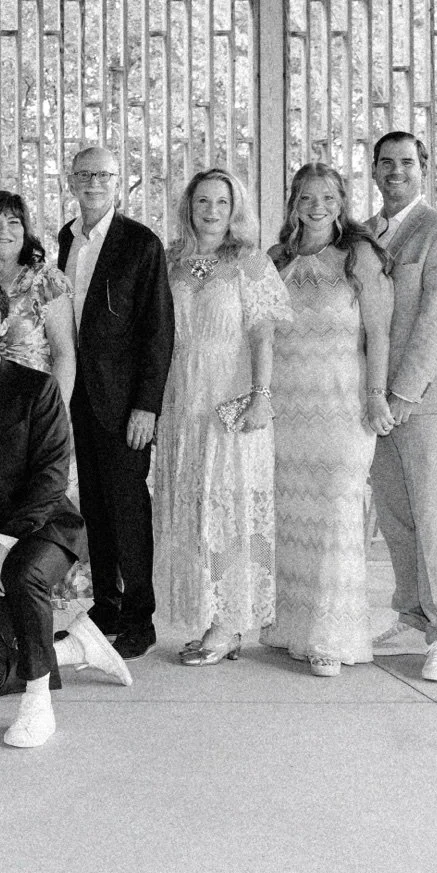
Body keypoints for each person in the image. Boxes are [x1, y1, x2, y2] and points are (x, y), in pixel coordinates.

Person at [0, 277, 132, 749]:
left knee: (23, 576)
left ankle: (39, 705)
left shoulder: (35, 388)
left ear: (2, 326)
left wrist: (3, 545)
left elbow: (50, 479)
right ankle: (74, 646)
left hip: (44, 529)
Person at [151, 168, 290, 666]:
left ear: (236, 211)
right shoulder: (170, 261)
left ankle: (228, 624)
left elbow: (264, 335)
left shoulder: (249, 262)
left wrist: (261, 394)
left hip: (229, 399)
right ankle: (205, 613)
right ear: (188, 206)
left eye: (222, 203)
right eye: (202, 201)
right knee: (190, 510)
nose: (211, 211)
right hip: (180, 400)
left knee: (227, 508)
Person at [262, 165, 393, 677]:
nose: (317, 206)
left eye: (328, 196)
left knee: (336, 514)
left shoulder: (358, 255)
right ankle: (290, 628)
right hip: (287, 409)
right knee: (291, 518)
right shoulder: (277, 259)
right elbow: (261, 334)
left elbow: (379, 334)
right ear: (293, 201)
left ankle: (330, 637)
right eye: (307, 196)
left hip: (342, 405)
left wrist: (377, 395)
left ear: (342, 201)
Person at [56, 144, 173, 659]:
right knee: (96, 510)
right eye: (84, 174)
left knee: (127, 509)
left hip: (125, 404)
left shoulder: (141, 244)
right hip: (76, 396)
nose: (93, 183)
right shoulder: (65, 239)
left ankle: (140, 619)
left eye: (103, 174)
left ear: (118, 181)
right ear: (71, 181)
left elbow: (158, 331)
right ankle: (106, 606)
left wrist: (146, 406)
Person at [365, 132, 437, 683]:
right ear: (374, 168)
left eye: (407, 162)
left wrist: (404, 393)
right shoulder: (362, 233)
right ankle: (410, 615)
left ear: (424, 168)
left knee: (432, 517)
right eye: (386, 162)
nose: (396, 171)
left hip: (422, 401)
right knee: (395, 515)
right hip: (371, 402)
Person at [0, 190, 76, 399]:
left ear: (25, 230)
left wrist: (56, 415)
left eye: (13, 222)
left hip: (33, 405)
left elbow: (64, 356)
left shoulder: (47, 280)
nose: (3, 230)